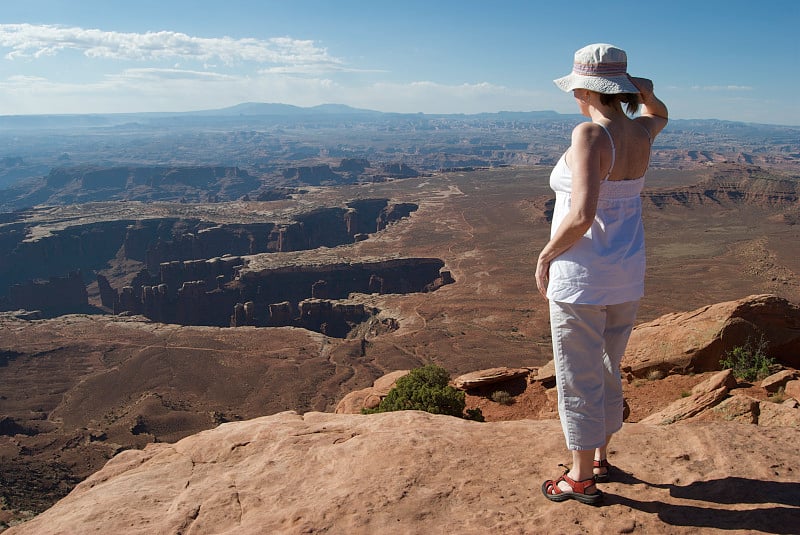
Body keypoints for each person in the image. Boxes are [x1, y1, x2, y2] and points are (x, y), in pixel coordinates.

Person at [537, 43, 668, 504]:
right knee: (610, 367)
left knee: (579, 374)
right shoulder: (641, 131)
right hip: (627, 271)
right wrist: (645, 93)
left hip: (583, 276)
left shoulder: (590, 134)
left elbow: (582, 214)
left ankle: (580, 477)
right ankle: (600, 458)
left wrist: (546, 255)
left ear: (585, 89)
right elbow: (662, 114)